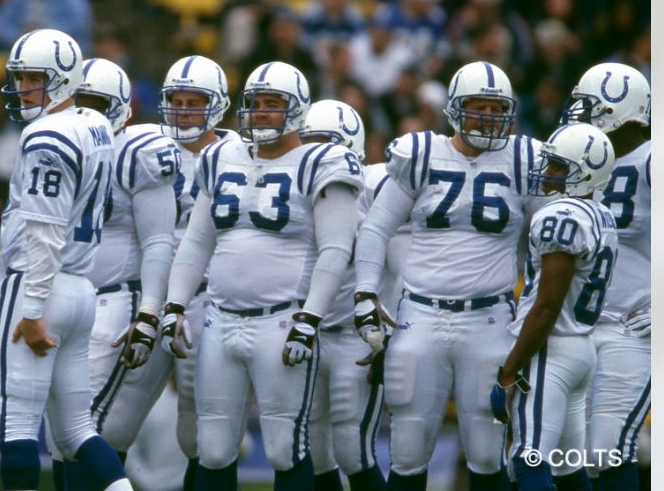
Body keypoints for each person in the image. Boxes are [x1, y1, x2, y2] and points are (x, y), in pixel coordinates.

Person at [160, 61, 364, 489]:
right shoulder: (220, 155)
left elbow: (335, 249)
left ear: (297, 110)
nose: (262, 112)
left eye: (274, 103)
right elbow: (197, 241)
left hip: (283, 320)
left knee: (283, 448)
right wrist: (175, 304)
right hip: (220, 317)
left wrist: (310, 317)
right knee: (212, 448)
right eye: (256, 103)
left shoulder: (320, 161)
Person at [352, 61, 544, 491]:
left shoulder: (524, 159)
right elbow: (377, 226)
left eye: (496, 109)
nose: (487, 118)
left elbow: (548, 237)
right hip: (420, 316)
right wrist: (365, 293)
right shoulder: (421, 155)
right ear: (456, 109)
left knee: (486, 451)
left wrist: (535, 304)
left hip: (490, 317)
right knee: (407, 449)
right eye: (478, 107)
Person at [0, 29, 133, 491]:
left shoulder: (46, 135)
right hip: (82, 289)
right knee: (77, 429)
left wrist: (30, 310)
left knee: (17, 427)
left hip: (39, 285)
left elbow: (43, 233)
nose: (23, 87)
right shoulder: (95, 125)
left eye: (33, 78)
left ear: (62, 80)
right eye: (20, 77)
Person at [87, 55, 239, 490]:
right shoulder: (138, 143)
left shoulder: (241, 154)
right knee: (108, 425)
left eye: (196, 101)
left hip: (209, 301)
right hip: (145, 300)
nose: (185, 110)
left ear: (218, 105)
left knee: (203, 435)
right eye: (178, 100)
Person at [66, 59, 180, 488]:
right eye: (81, 101)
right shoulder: (57, 145)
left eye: (97, 103)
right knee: (63, 430)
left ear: (121, 109)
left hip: (117, 298)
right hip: (69, 295)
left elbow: (158, 241)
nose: (88, 113)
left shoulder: (138, 151)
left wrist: (150, 311)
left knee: (84, 425)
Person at [491, 122, 618, 491]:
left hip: (551, 350)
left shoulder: (561, 216)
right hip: (581, 349)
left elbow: (546, 306)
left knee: (528, 459)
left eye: (559, 167)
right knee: (567, 467)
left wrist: (510, 368)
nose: (548, 173)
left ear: (585, 172)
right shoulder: (601, 214)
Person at [563, 63, 651, 491]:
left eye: (589, 106)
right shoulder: (579, 158)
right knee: (560, 451)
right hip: (574, 329)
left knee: (607, 448)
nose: (578, 115)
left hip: (630, 328)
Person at [298, 100, 393, 491]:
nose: (315, 154)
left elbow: (400, 266)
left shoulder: (376, 187)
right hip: (306, 335)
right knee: (315, 454)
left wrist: (392, 336)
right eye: (309, 143)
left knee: (352, 452)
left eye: (325, 144)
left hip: (354, 339)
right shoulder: (288, 186)